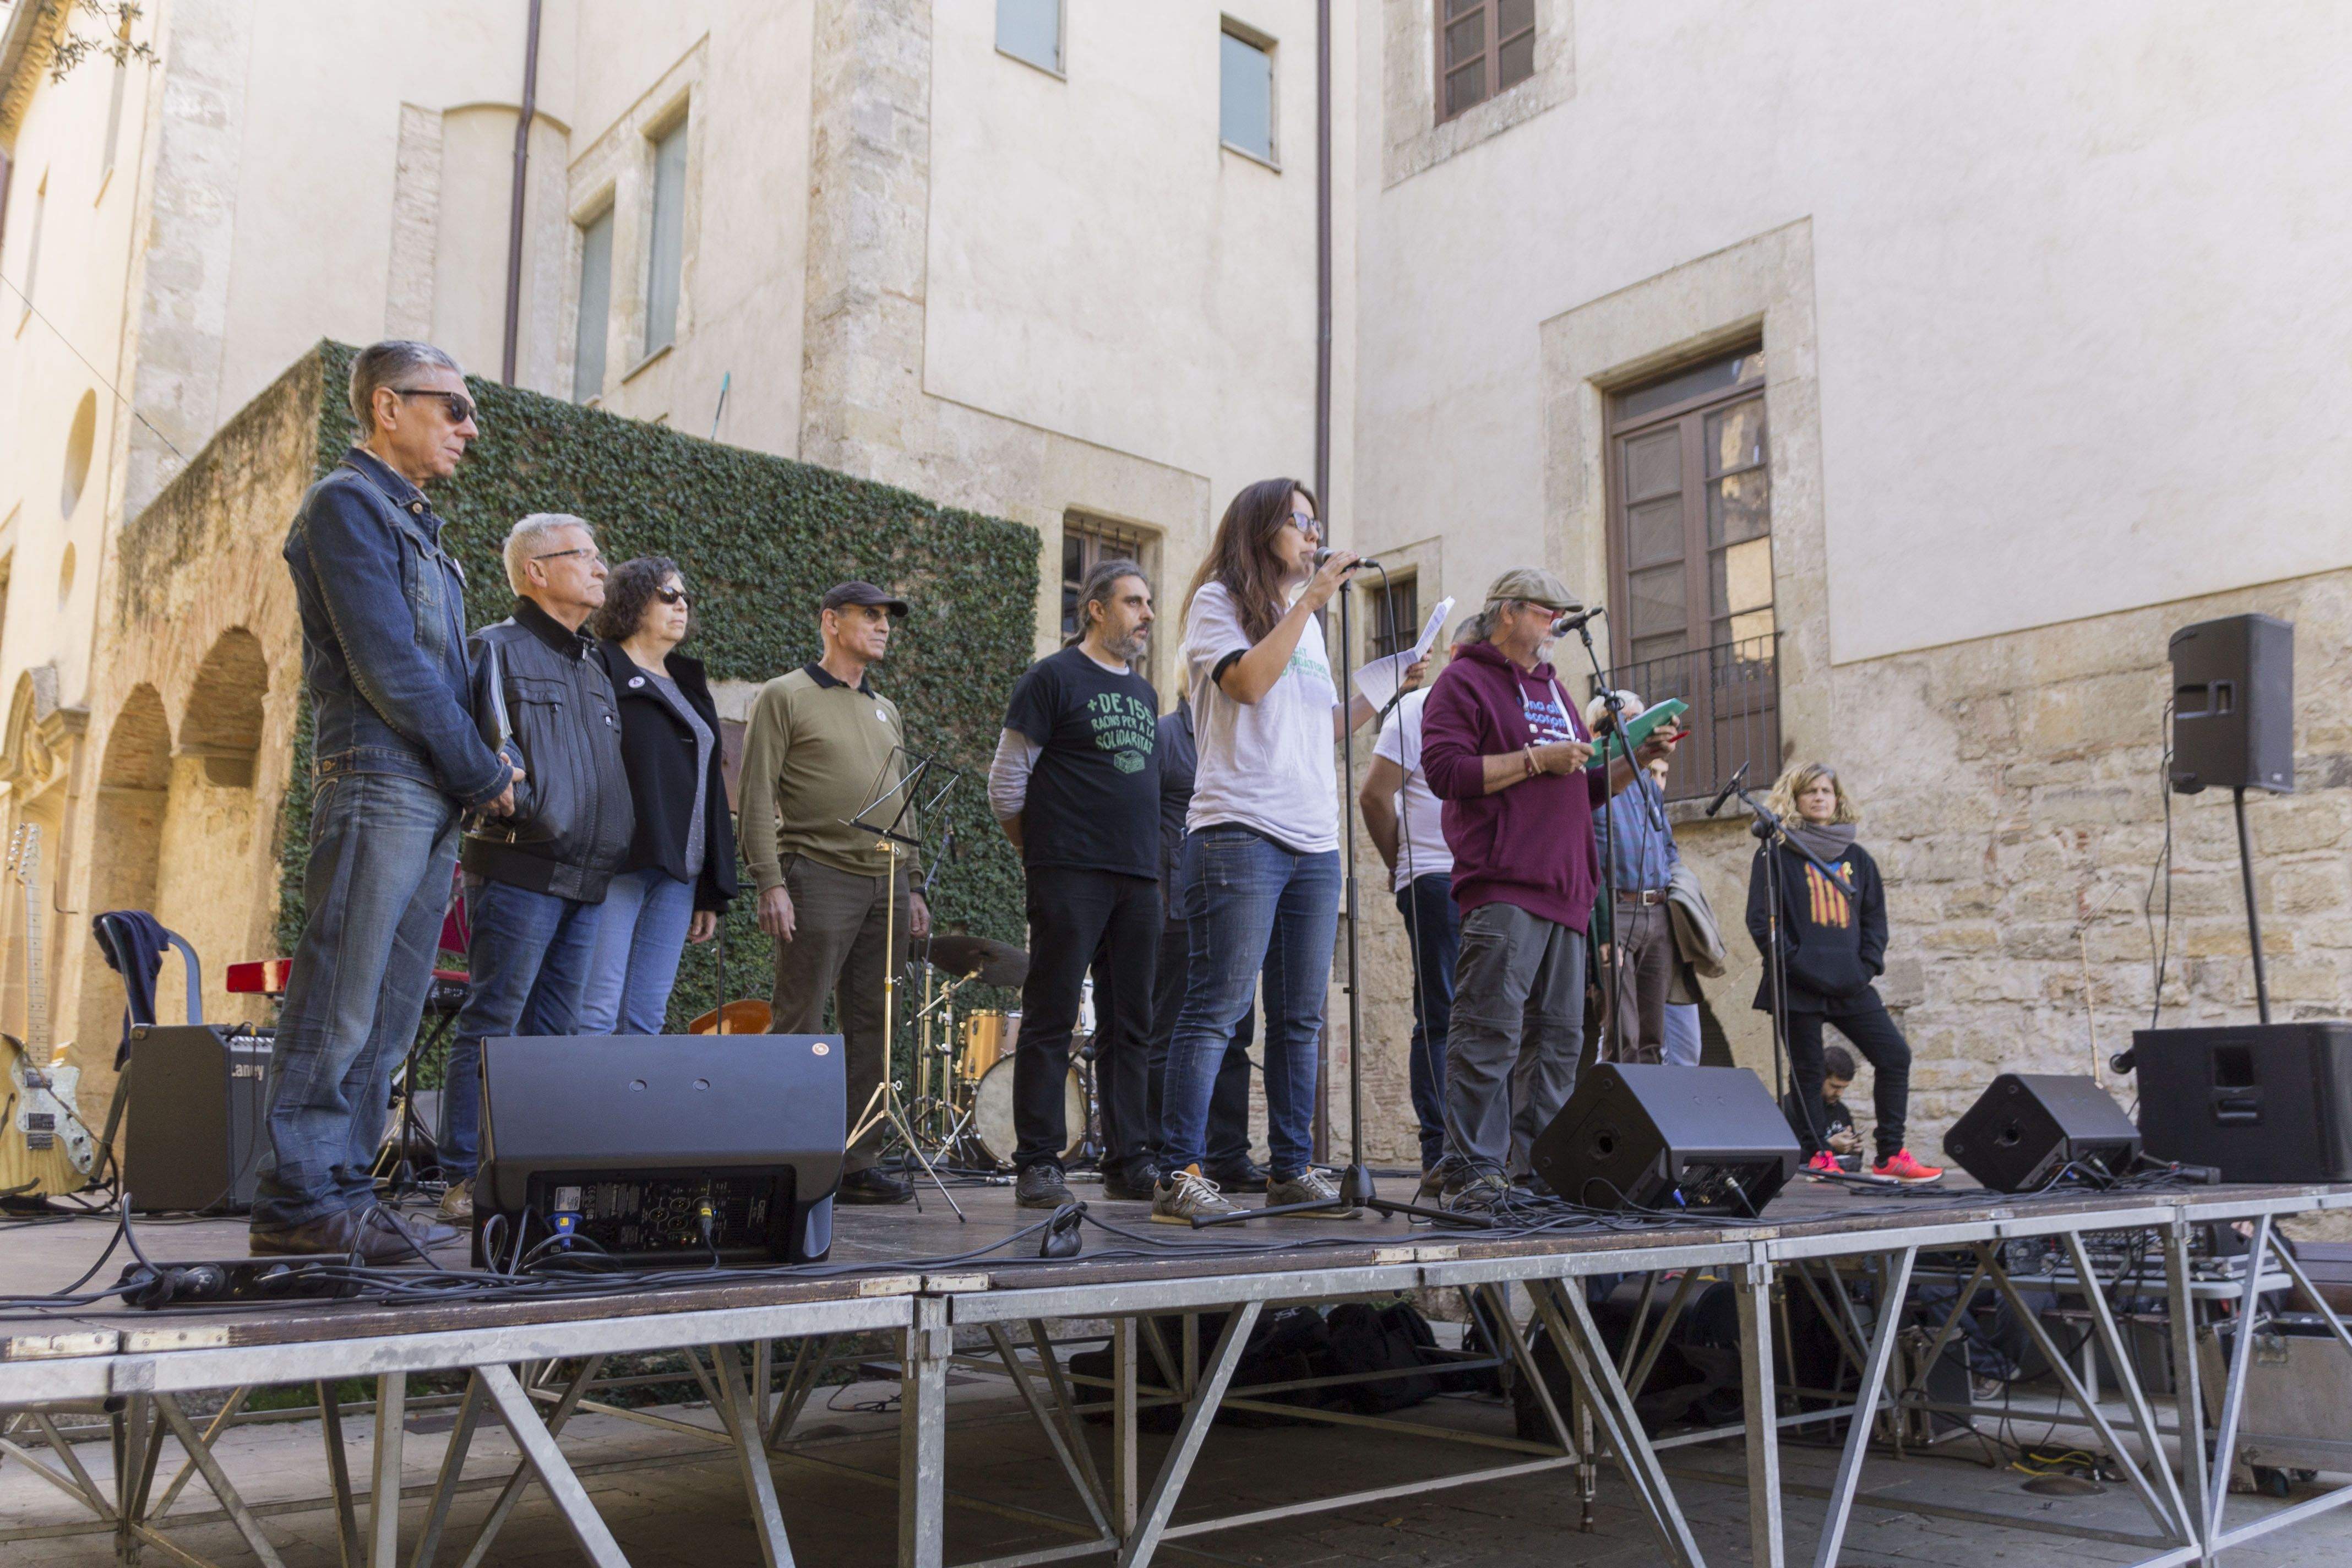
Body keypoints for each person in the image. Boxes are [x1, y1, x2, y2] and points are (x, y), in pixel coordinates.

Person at [252, 340, 519, 1261]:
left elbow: (448, 675)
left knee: (394, 1006)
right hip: (377, 779)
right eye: (451, 407)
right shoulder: (346, 505)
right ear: (384, 407)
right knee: (343, 994)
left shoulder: (423, 531)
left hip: (429, 790)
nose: (467, 427)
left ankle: (341, 1192)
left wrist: (484, 757)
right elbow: (388, 666)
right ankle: (297, 1196)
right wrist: (481, 770)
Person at [1153, 478, 1420, 1223]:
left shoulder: (1307, 627)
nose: (1313, 536)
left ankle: (1292, 1168)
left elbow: (1320, 724)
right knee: (1216, 1008)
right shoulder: (1218, 603)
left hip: (1314, 839)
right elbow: (1245, 685)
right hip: (1240, 830)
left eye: (1316, 524)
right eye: (1300, 524)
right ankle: (1177, 1173)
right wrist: (1308, 602)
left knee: (1301, 1016)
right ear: (1261, 528)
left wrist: (1388, 687)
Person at [1419, 570, 1674, 1213]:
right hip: (1505, 883)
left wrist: (1634, 763)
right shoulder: (1464, 682)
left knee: (1562, 1040)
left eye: (1562, 615)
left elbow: (1576, 788)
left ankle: (1537, 1171)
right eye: (1545, 613)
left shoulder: (1555, 689)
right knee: (1488, 1031)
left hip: (1569, 890)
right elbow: (1446, 772)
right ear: (1507, 614)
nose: (1557, 625)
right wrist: (1537, 760)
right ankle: (1475, 1169)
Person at [439, 515, 636, 1221]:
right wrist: (523, 808)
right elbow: (483, 753)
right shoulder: (492, 648)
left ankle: (532, 1173)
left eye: (597, 552)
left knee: (553, 1035)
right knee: (494, 1019)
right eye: (582, 554)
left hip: (587, 874)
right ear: (535, 572)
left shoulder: (594, 666)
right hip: (520, 863)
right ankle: (464, 1178)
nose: (599, 567)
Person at [738, 582, 932, 1204]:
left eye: (886, 619)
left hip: (888, 883)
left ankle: (856, 1161)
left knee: (875, 1023)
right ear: (831, 621)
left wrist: (915, 883)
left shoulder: (887, 709)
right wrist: (770, 879)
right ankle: (785, 1156)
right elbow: (757, 792)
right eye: (870, 616)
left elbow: (903, 802)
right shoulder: (784, 695)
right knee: (801, 1017)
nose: (883, 627)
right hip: (816, 871)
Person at [988, 560, 1162, 1208]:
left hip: (1140, 879)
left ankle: (1129, 1159)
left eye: (1148, 603)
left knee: (1132, 1023)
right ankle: (1037, 1161)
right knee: (1052, 1014)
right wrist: (1044, 856)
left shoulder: (1144, 695)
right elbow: (1005, 785)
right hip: (1069, 873)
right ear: (1095, 608)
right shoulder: (1051, 679)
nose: (1146, 614)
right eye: (1134, 602)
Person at [1745, 762, 1942, 1185]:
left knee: (1895, 1056)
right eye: (1810, 791)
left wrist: (1866, 967)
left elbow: (1875, 922)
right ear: (1794, 799)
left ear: (1838, 799)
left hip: (1850, 982)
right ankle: (1818, 1155)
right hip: (1797, 982)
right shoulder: (1775, 854)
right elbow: (1763, 923)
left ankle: (1890, 1155)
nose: (1819, 797)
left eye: (1826, 791)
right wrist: (1796, 964)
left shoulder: (1859, 859)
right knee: (1808, 1069)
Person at [579, 557, 737, 1033]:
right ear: (632, 604)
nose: (682, 605)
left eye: (686, 597)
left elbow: (708, 788)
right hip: (621, 863)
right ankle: (582, 1111)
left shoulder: (688, 683)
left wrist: (710, 886)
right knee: (596, 1011)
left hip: (680, 874)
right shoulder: (598, 667)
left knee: (645, 1017)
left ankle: (627, 1111)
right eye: (668, 596)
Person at [1358, 618, 1477, 1198]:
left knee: (1486, 1015)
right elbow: (1374, 796)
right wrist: (1400, 862)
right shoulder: (1416, 709)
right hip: (1432, 876)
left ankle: (1484, 1149)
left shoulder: (1492, 713)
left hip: (1487, 882)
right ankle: (1440, 1150)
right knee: (1442, 1011)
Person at [1134, 688, 1261, 1193]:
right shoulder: (1166, 735)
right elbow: (1141, 821)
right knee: (1168, 1035)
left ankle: (1230, 1154)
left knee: (1238, 1035)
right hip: (1176, 911)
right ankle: (1165, 1153)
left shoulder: (1240, 736)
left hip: (1234, 904)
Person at [1587, 690, 1684, 1065]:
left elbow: (1668, 844)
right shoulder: (1591, 778)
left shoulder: (1647, 781)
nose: (1643, 728)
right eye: (1632, 720)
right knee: (1622, 1036)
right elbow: (1587, 859)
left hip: (1656, 914)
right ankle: (1614, 1123)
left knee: (1652, 1040)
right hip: (1617, 913)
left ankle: (1645, 1124)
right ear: (1600, 732)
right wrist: (1604, 930)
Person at [1783, 1043, 1862, 1163]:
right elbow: (1787, 1158)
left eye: (1844, 1088)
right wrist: (1829, 1146)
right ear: (1819, 1078)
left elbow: (1854, 1158)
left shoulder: (1841, 1110)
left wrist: (1854, 1148)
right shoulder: (1788, 1107)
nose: (1839, 1093)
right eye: (1835, 1086)